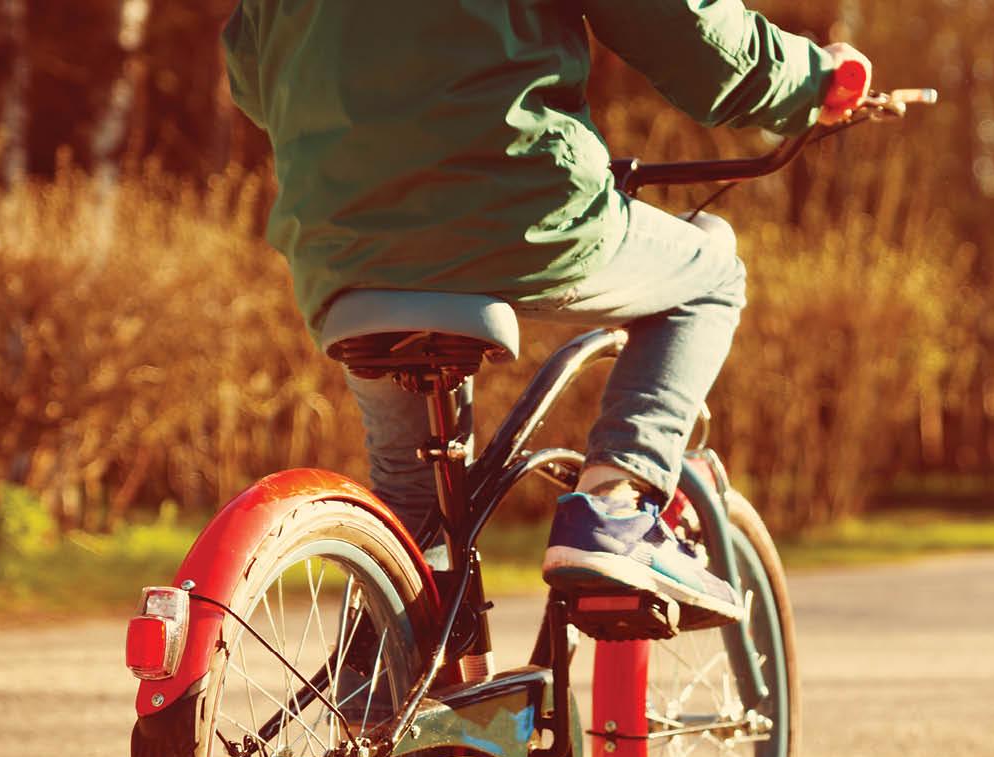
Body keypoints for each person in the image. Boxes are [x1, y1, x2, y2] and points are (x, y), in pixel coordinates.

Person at [221, 0, 869, 627]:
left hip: (341, 237)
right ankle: (616, 506)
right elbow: (692, 35)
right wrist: (816, 80)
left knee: (412, 515)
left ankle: (378, 679)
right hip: (519, 207)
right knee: (710, 277)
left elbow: (251, 71)